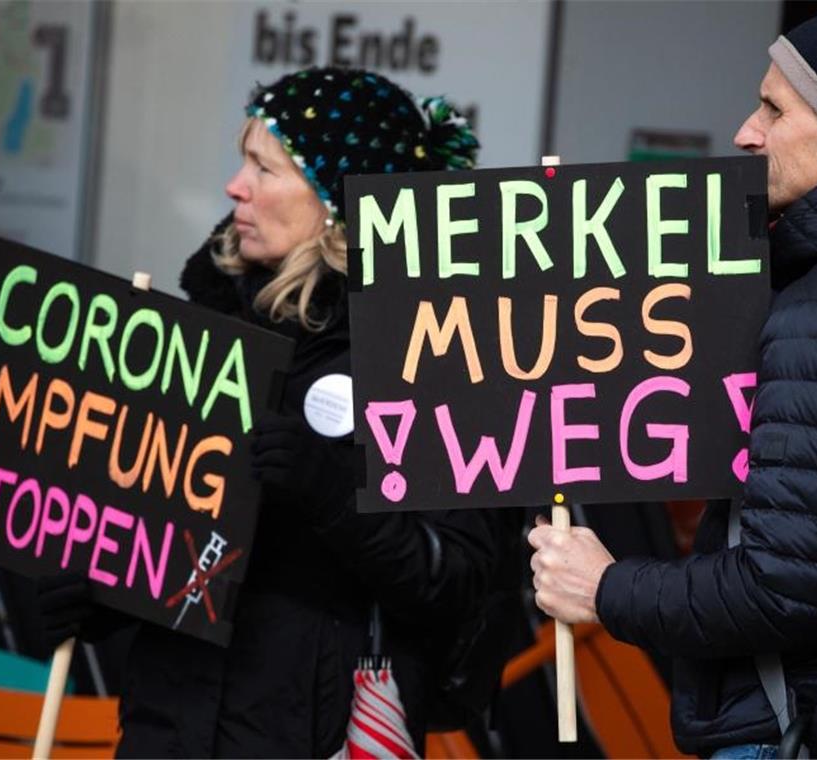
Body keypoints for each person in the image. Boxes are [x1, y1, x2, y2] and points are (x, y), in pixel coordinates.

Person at [39, 66, 512, 758]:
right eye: (243, 162)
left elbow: (457, 579)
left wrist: (332, 496)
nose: (236, 186)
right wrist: (98, 590)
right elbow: (176, 547)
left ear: (337, 201)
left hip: (312, 732)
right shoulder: (198, 332)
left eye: (265, 167)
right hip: (168, 727)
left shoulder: (435, 351)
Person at [528, 6, 817, 758]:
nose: (745, 131)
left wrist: (604, 587)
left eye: (775, 108)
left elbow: (785, 586)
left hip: (801, 721)